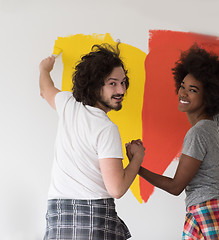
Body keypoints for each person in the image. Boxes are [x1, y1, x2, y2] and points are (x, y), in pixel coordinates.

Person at [127, 45, 219, 239]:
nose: (183, 93)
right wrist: (213, 71)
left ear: (209, 96)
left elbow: (176, 187)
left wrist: (136, 166)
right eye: (182, 86)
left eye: (193, 90)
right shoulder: (218, 121)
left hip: (208, 214)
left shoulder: (198, 133)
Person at [39, 43, 145, 240]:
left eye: (123, 82)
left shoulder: (68, 104)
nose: (121, 89)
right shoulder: (106, 129)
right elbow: (117, 189)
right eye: (112, 83)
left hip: (58, 214)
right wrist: (137, 159)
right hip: (93, 218)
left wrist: (44, 69)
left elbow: (46, 89)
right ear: (94, 85)